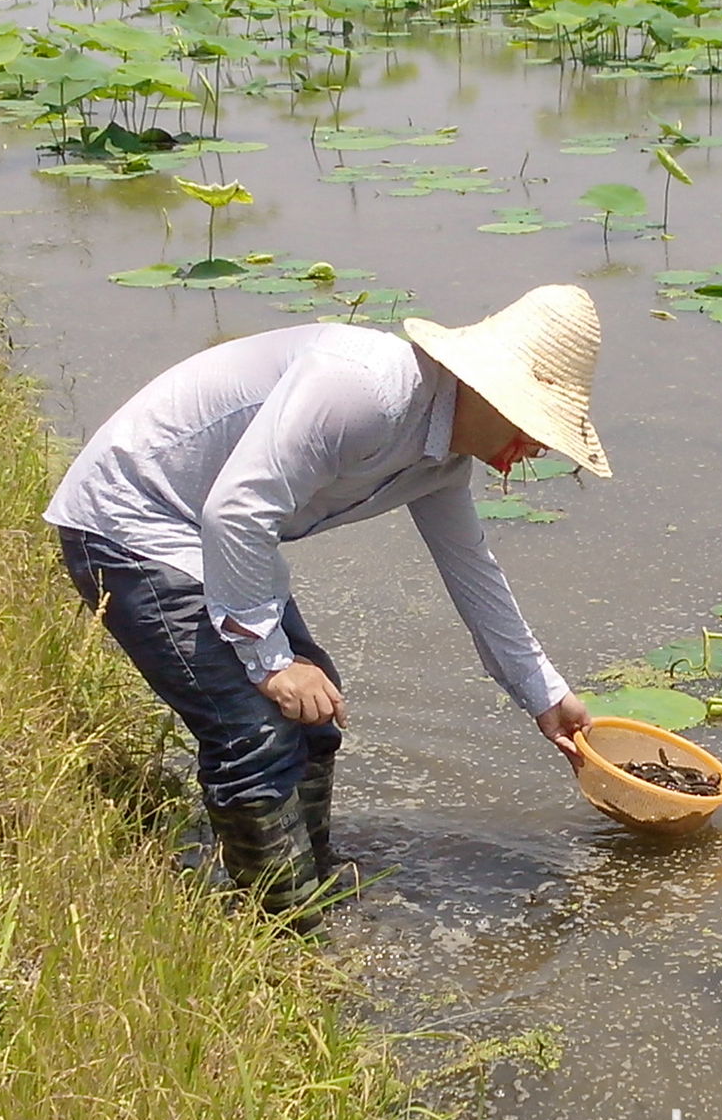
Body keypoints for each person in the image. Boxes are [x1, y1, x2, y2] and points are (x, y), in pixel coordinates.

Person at [45, 283, 608, 931]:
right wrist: (272, 663)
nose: (537, 448)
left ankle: (311, 885)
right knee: (252, 730)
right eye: (534, 425)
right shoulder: (367, 390)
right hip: (130, 522)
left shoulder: (441, 460)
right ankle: (284, 939)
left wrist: (544, 694)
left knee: (317, 710)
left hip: (207, 538)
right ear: (486, 389)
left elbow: (473, 574)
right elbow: (236, 510)